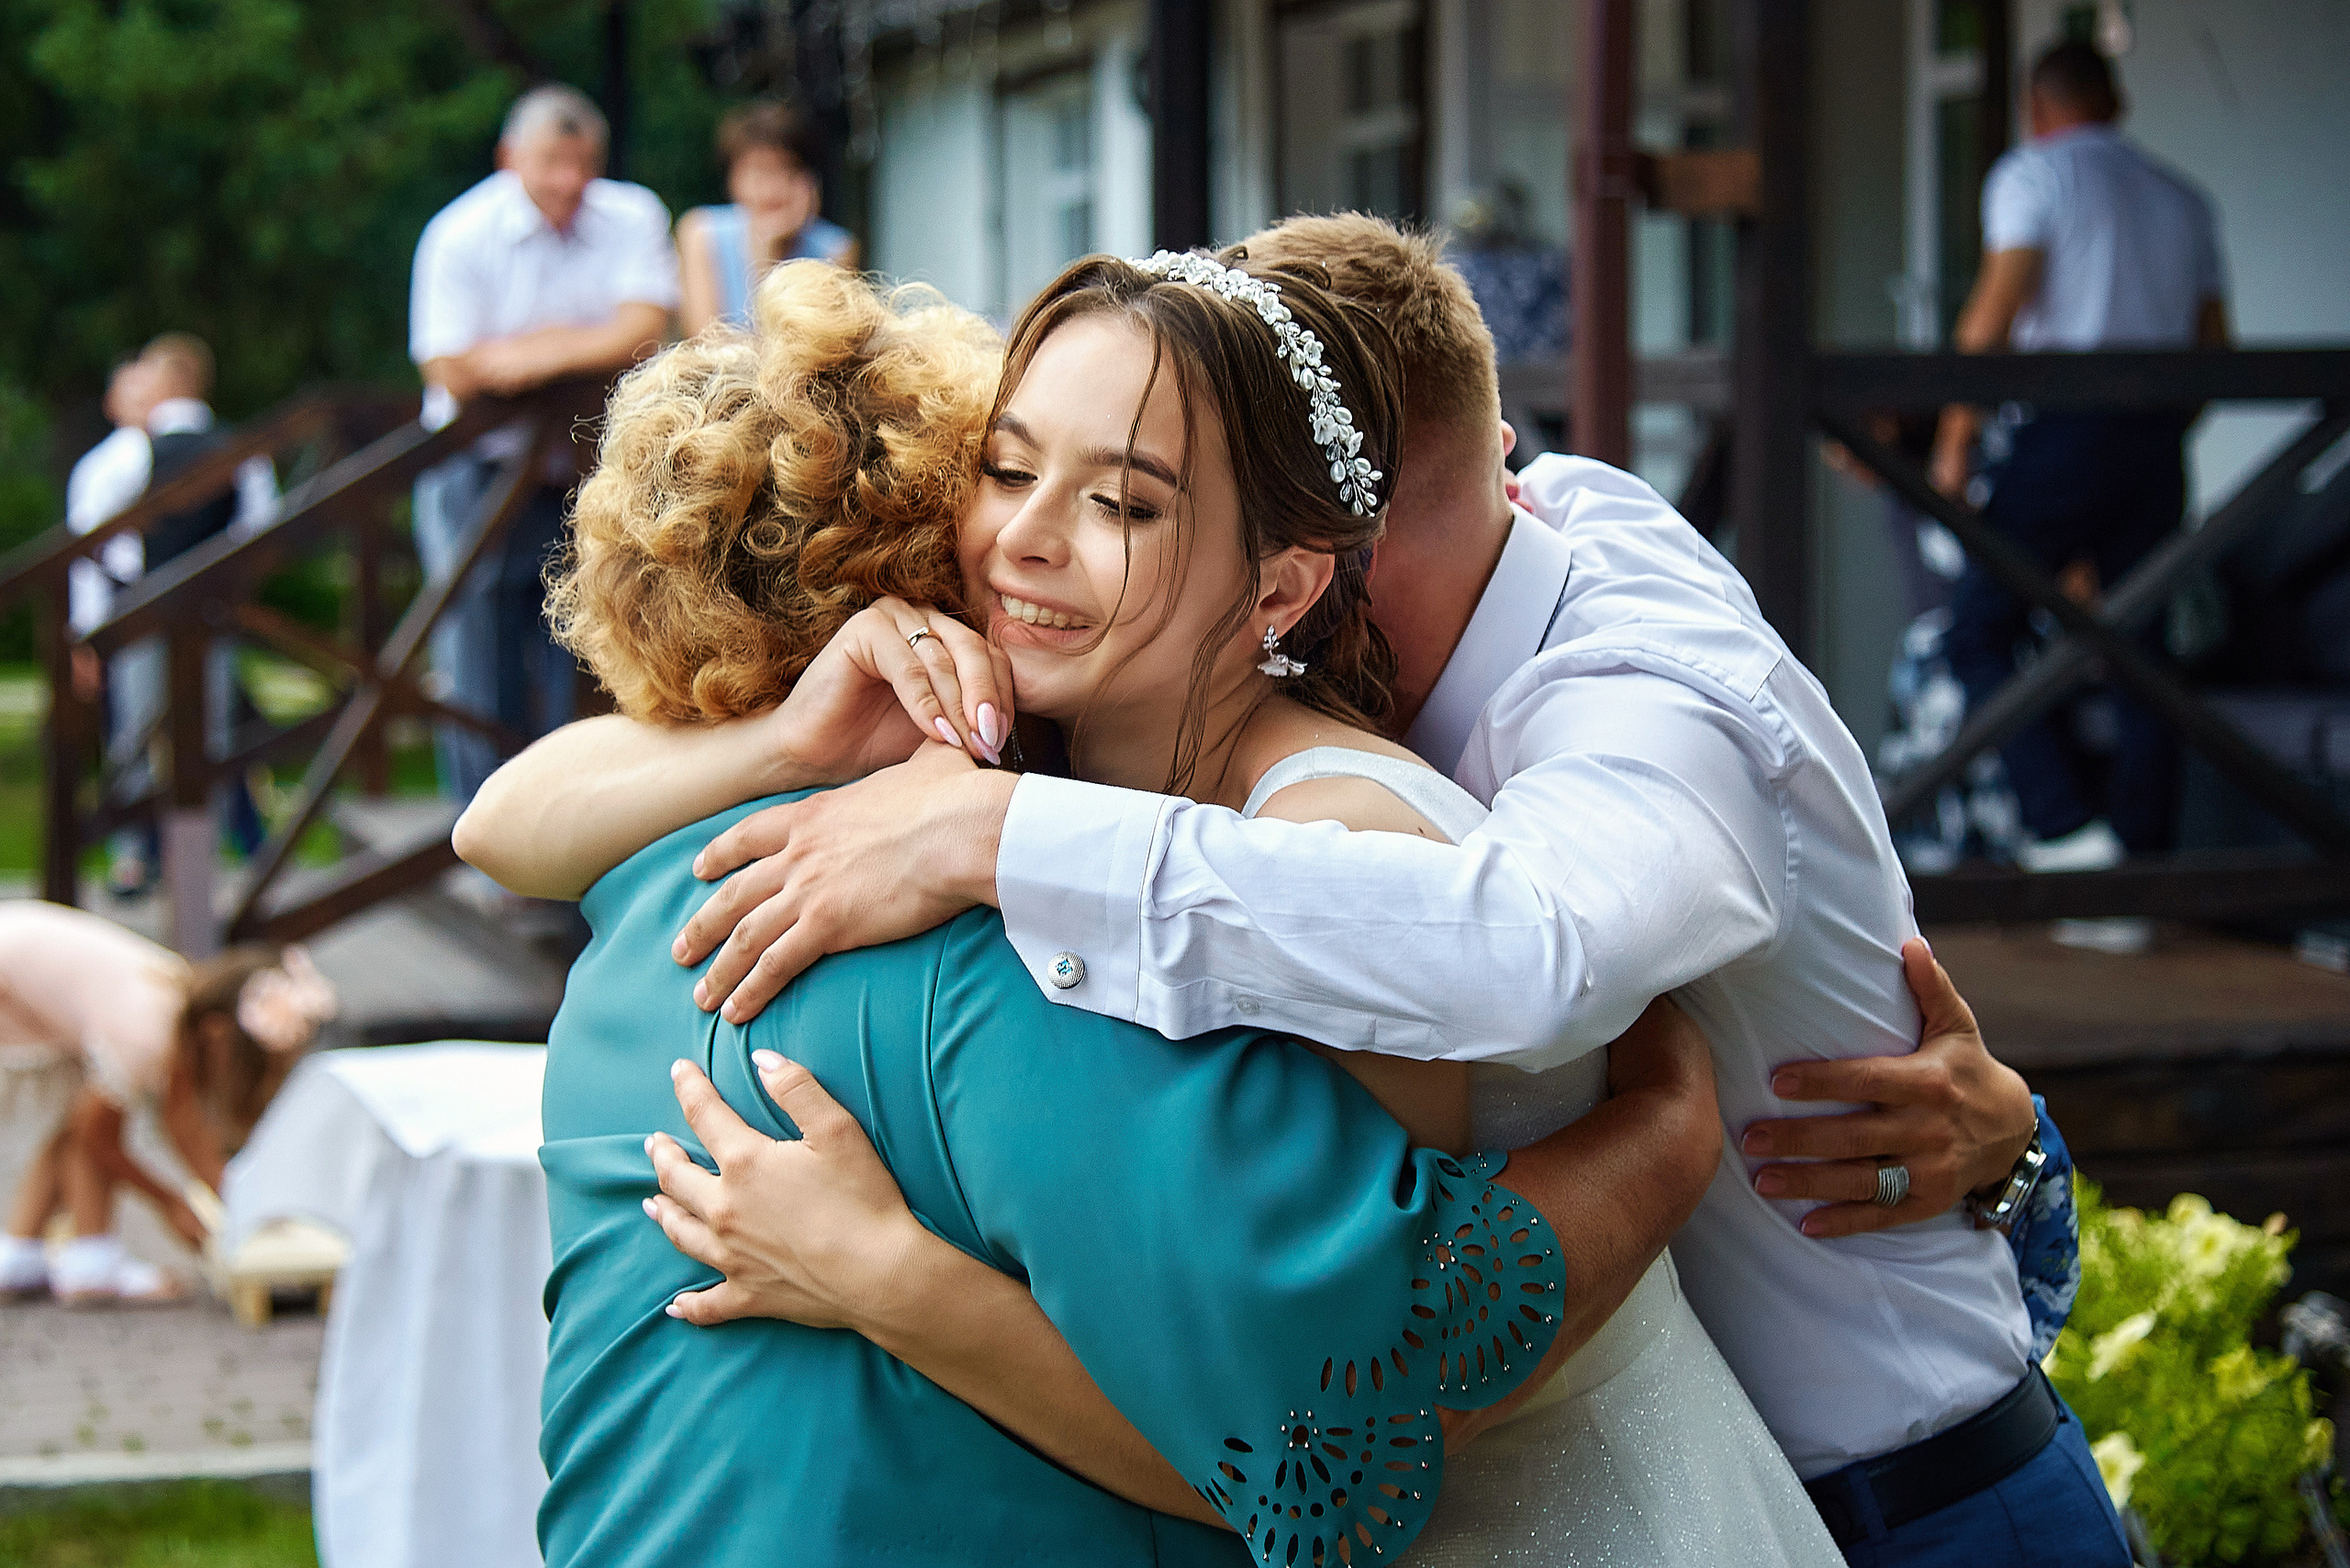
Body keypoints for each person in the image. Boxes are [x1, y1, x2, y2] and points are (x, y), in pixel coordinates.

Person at [467, 218, 2120, 1568]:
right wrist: (788, 733)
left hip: (1824, 1498)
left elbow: (1336, 1423)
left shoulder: (1546, 720)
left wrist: (895, 1253)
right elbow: (511, 816)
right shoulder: (1083, 718)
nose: (1026, 541)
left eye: (1126, 494)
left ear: (1295, 564)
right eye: (1009, 468)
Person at [1930, 39, 2230, 876]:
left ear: (2037, 105)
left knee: (1979, 629)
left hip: (2062, 433)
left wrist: (1956, 438)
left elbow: (1994, 317)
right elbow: (2217, 351)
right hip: (2154, 438)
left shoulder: (2033, 176)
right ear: (2115, 101)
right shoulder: (2184, 199)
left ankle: (2064, 832)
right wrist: (2157, 436)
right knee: (2141, 646)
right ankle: (2141, 861)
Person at [407, 82, 679, 805]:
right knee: (475, 647)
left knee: (592, 638)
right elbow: (451, 367)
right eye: (551, 163)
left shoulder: (632, 213)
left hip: (588, 472)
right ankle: (481, 824)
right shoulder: (459, 234)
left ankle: (571, 816)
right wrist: (587, 345)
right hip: (478, 472)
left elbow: (646, 328)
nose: (568, 182)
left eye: (580, 163)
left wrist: (537, 352)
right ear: (509, 159)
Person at [0, 903, 335, 1305]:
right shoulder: (146, 1032)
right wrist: (170, 1204)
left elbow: (182, 1123)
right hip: (11, 969)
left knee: (86, 1116)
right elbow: (98, 1139)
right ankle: (91, 1258)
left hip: (19, 949)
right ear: (218, 1033)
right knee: (93, 1124)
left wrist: (238, 1201)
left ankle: (23, 1253)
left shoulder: (180, 1005)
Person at [67, 333, 277, 892]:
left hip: (142, 611)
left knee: (137, 733)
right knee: (211, 732)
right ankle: (199, 857)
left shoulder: (128, 455)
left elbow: (98, 550)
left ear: (164, 384)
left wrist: (89, 630)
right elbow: (260, 532)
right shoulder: (243, 449)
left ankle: (135, 856)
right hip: (213, 615)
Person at [675, 100, 856, 338]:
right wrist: (764, 256)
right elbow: (704, 343)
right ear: (733, 179)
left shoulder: (836, 248)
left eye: (787, 170)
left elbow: (820, 347)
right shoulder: (700, 231)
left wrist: (773, 258)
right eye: (760, 172)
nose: (773, 188)